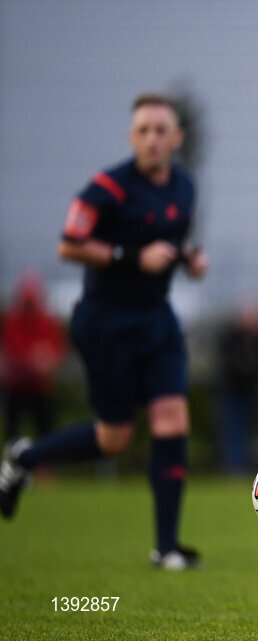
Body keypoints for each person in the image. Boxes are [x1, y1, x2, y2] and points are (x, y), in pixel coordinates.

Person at [0, 93, 208, 570]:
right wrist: (129, 256)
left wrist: (190, 261)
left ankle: (167, 547)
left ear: (176, 138)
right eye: (143, 130)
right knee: (114, 438)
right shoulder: (107, 188)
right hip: (106, 321)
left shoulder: (185, 186)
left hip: (157, 319)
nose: (153, 139)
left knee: (172, 419)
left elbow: (173, 245)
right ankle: (23, 458)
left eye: (161, 130)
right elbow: (68, 246)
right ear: (131, 136)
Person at [1, 271, 67, 445]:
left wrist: (45, 360)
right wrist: (35, 359)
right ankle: (13, 463)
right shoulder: (13, 320)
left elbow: (56, 352)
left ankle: (45, 466)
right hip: (15, 387)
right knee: (12, 432)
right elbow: (12, 353)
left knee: (45, 429)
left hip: (40, 388)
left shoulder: (46, 321)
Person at [216, 299, 258, 474]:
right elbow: (226, 362)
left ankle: (251, 464)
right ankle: (234, 465)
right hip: (233, 390)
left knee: (254, 429)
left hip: (255, 391)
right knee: (233, 427)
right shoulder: (230, 337)